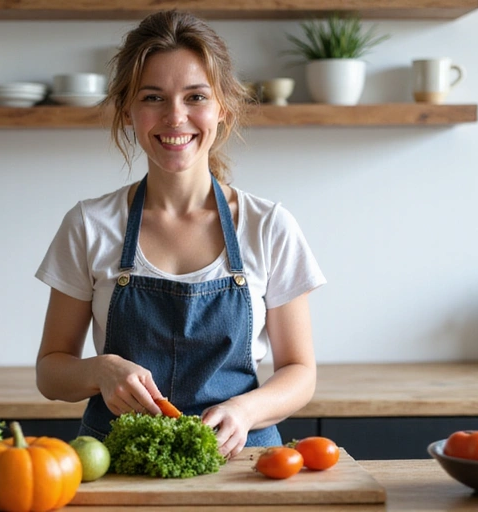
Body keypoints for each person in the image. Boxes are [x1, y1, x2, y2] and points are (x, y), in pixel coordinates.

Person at [35, 9, 326, 459]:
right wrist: (102, 369)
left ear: (223, 107)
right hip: (117, 462)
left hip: (239, 460)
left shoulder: (268, 226)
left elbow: (300, 371)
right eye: (153, 97)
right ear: (127, 109)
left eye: (195, 97)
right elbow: (51, 372)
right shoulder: (90, 225)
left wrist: (246, 411)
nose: (175, 117)